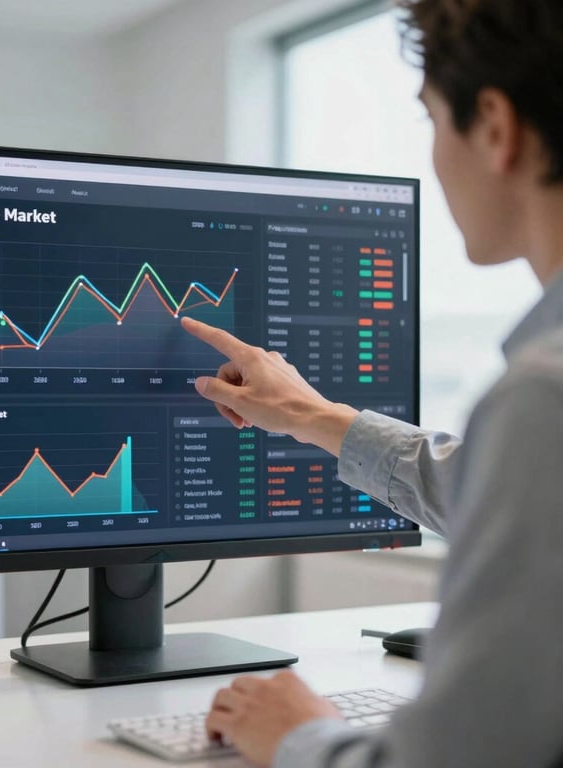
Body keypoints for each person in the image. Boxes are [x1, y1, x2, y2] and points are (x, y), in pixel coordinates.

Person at [180, 1, 563, 766]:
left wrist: (300, 733)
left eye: (429, 120)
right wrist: (312, 415)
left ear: (494, 125)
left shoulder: (542, 397)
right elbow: (493, 492)